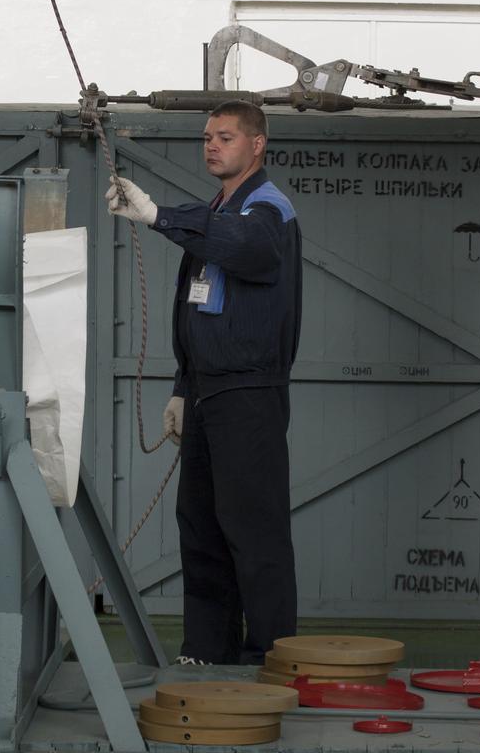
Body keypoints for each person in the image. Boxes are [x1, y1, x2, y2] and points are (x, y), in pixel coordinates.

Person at [105, 100, 301, 666]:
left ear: (256, 145)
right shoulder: (219, 210)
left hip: (249, 394)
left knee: (254, 531)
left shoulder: (268, 210)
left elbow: (247, 251)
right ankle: (208, 652)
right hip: (207, 393)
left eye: (226, 137)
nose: (212, 145)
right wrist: (182, 388)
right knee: (201, 526)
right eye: (208, 137)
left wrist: (160, 216)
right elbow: (197, 309)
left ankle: (270, 657)